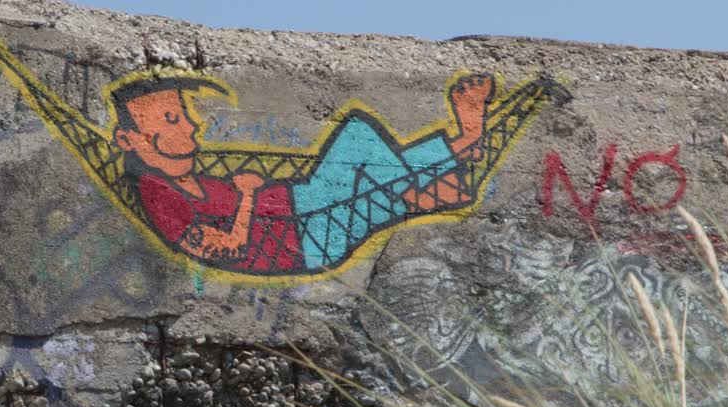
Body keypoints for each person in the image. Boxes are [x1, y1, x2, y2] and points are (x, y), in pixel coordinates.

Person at [110, 73, 495, 273]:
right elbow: (229, 248)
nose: (192, 126)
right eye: (172, 119)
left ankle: (435, 174)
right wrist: (246, 194)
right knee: (365, 169)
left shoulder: (183, 179)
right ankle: (459, 149)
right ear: (128, 138)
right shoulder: (157, 192)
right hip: (304, 234)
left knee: (360, 144)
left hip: (302, 208)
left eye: (186, 115)